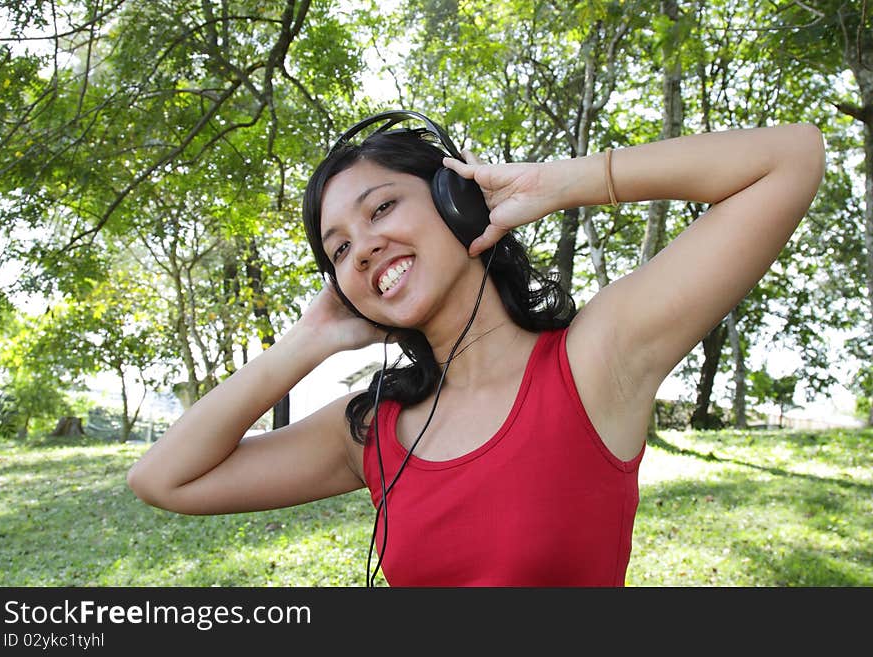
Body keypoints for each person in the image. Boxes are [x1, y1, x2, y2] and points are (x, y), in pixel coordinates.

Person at [127, 112, 825, 587]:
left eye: (381, 209)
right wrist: (311, 339)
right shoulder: (373, 431)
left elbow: (789, 158)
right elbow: (164, 479)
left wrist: (565, 183)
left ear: (455, 200)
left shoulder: (593, 362)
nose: (363, 245)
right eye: (339, 248)